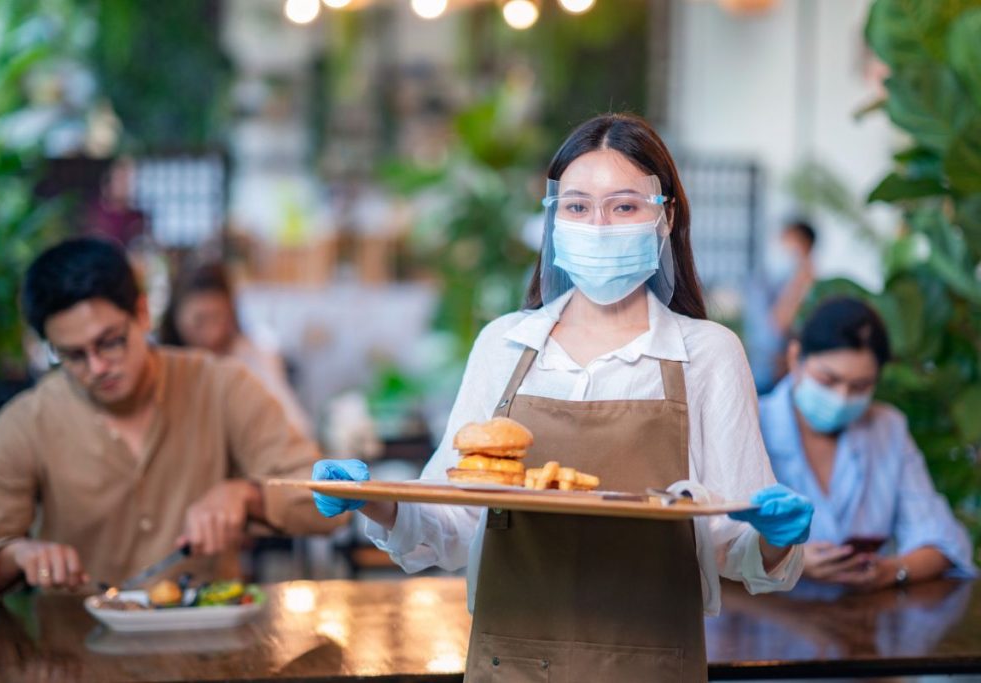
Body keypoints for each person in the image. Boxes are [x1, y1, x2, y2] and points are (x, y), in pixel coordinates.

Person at [310, 113, 813, 682]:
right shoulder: (503, 344)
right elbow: (451, 521)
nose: (597, 225)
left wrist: (773, 539)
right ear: (554, 219)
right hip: (510, 665)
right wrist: (373, 500)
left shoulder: (709, 354)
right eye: (577, 207)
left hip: (651, 666)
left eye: (623, 206)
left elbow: (733, 543)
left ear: (665, 217)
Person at [0, 238, 344, 597]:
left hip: (210, 650)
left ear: (142, 312)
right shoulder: (29, 421)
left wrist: (248, 495)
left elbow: (330, 500)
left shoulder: (221, 385)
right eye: (73, 355)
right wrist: (15, 555)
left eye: (110, 341)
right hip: (76, 656)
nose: (97, 367)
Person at [760, 297, 977, 590]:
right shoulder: (751, 421)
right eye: (827, 380)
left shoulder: (888, 429)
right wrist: (786, 561)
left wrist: (893, 570)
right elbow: (710, 540)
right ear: (795, 357)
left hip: (861, 621)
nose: (841, 397)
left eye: (861, 387)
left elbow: (943, 540)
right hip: (761, 621)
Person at [159, 262, 312, 436]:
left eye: (218, 317)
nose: (213, 334)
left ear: (231, 312)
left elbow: (297, 426)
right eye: (199, 321)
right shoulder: (164, 368)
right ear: (176, 317)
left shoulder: (254, 356)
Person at [746, 220, 817, 393]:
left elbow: (779, 323)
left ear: (804, 245)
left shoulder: (806, 281)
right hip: (760, 366)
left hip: (778, 373)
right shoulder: (772, 277)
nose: (782, 246)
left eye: (789, 241)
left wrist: (801, 279)